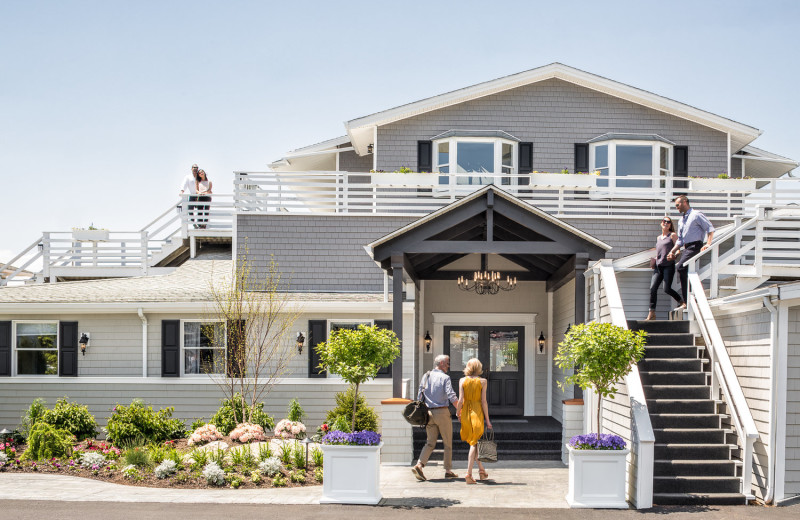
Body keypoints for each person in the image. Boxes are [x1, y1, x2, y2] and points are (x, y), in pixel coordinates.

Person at [412, 354, 459, 481]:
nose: (449, 366)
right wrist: (460, 408)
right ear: (442, 364)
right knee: (448, 442)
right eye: (448, 363)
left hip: (428, 413)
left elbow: (419, 396)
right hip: (442, 412)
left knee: (430, 442)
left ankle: (419, 465)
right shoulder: (445, 377)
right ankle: (448, 471)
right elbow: (451, 395)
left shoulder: (426, 376)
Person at [667, 195, 715, 306]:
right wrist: (672, 251)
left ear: (685, 202)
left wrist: (708, 243)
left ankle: (687, 300)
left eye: (677, 205)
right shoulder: (681, 221)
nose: (676, 207)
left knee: (681, 267)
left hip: (695, 246)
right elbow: (680, 240)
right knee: (684, 270)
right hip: (687, 248)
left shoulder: (696, 215)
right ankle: (692, 297)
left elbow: (710, 229)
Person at [456, 358, 492, 485]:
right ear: (479, 368)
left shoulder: (462, 380)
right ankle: (469, 473)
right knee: (474, 443)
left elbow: (460, 400)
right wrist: (488, 420)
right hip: (477, 413)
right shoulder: (483, 381)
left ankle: (482, 471)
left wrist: (457, 412)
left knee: (474, 442)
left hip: (465, 412)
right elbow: (483, 402)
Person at [646, 216, 684, 320]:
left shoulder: (672, 235)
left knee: (666, 289)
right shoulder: (658, 238)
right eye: (664, 221)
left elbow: (678, 249)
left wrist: (675, 256)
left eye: (668, 222)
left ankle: (681, 302)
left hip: (668, 265)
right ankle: (652, 313)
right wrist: (654, 261)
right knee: (652, 288)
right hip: (658, 266)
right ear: (661, 223)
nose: (666, 223)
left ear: (670, 225)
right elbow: (659, 251)